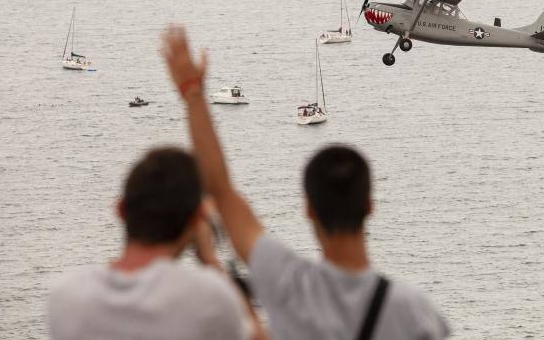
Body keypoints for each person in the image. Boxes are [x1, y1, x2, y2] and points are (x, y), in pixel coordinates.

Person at [162, 25, 450, 339]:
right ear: (369, 204)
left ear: (309, 208)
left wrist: (193, 94)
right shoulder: (415, 312)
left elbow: (221, 190)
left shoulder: (289, 283)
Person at [48, 147, 264, 340]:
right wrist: (209, 259)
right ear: (196, 221)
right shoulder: (208, 298)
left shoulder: (67, 299)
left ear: (121, 210)